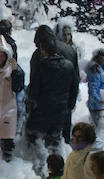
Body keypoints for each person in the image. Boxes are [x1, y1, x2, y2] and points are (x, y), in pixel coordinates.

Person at [25, 24, 79, 155]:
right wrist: (71, 103)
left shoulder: (39, 55)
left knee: (37, 135)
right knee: (59, 134)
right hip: (63, 102)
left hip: (44, 104)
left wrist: (30, 104)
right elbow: (75, 80)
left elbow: (35, 83)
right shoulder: (70, 50)